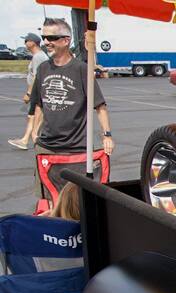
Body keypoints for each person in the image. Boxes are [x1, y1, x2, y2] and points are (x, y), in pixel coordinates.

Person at [29, 18, 114, 200]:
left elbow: (99, 105)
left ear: (66, 40)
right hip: (46, 148)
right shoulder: (43, 69)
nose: (46, 42)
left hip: (76, 148)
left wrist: (107, 135)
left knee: (76, 201)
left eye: (52, 37)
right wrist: (34, 133)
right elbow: (39, 104)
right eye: (44, 37)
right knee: (49, 201)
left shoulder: (81, 69)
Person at [7, 33, 48, 150]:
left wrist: (29, 93)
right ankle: (26, 140)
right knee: (33, 117)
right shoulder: (38, 56)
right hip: (38, 91)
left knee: (35, 117)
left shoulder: (38, 57)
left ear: (33, 42)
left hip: (37, 91)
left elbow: (36, 76)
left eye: (26, 40)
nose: (25, 43)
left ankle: (32, 140)